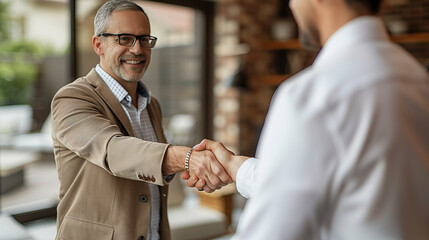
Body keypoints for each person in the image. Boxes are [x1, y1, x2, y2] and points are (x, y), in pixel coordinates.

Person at [184, 0, 429, 239]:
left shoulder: (312, 96)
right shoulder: (418, 81)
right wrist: (236, 166)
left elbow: (272, 231)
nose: (292, 6)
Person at [50, 1, 231, 239]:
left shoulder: (151, 104)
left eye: (144, 39)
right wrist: (187, 159)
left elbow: (149, 170)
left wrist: (198, 174)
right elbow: (113, 150)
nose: (137, 49)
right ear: (98, 44)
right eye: (124, 38)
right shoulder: (72, 98)